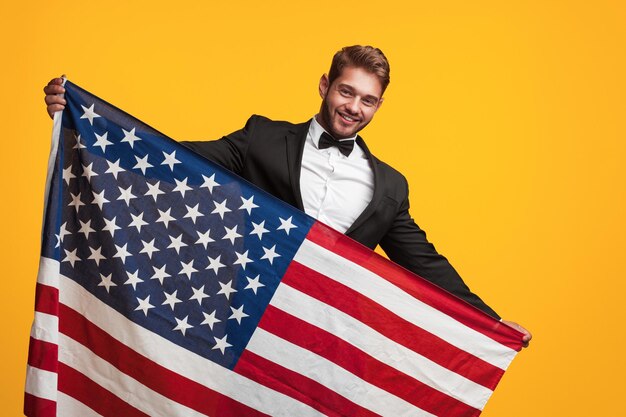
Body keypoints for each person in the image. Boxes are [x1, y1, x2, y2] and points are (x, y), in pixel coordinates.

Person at [43, 45, 531, 346]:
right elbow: (177, 159)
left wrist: (489, 321)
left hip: (325, 334)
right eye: (346, 91)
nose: (354, 107)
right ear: (325, 85)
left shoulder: (388, 186)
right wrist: (86, 119)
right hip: (240, 313)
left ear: (380, 104)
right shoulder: (262, 138)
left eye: (368, 100)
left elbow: (423, 260)